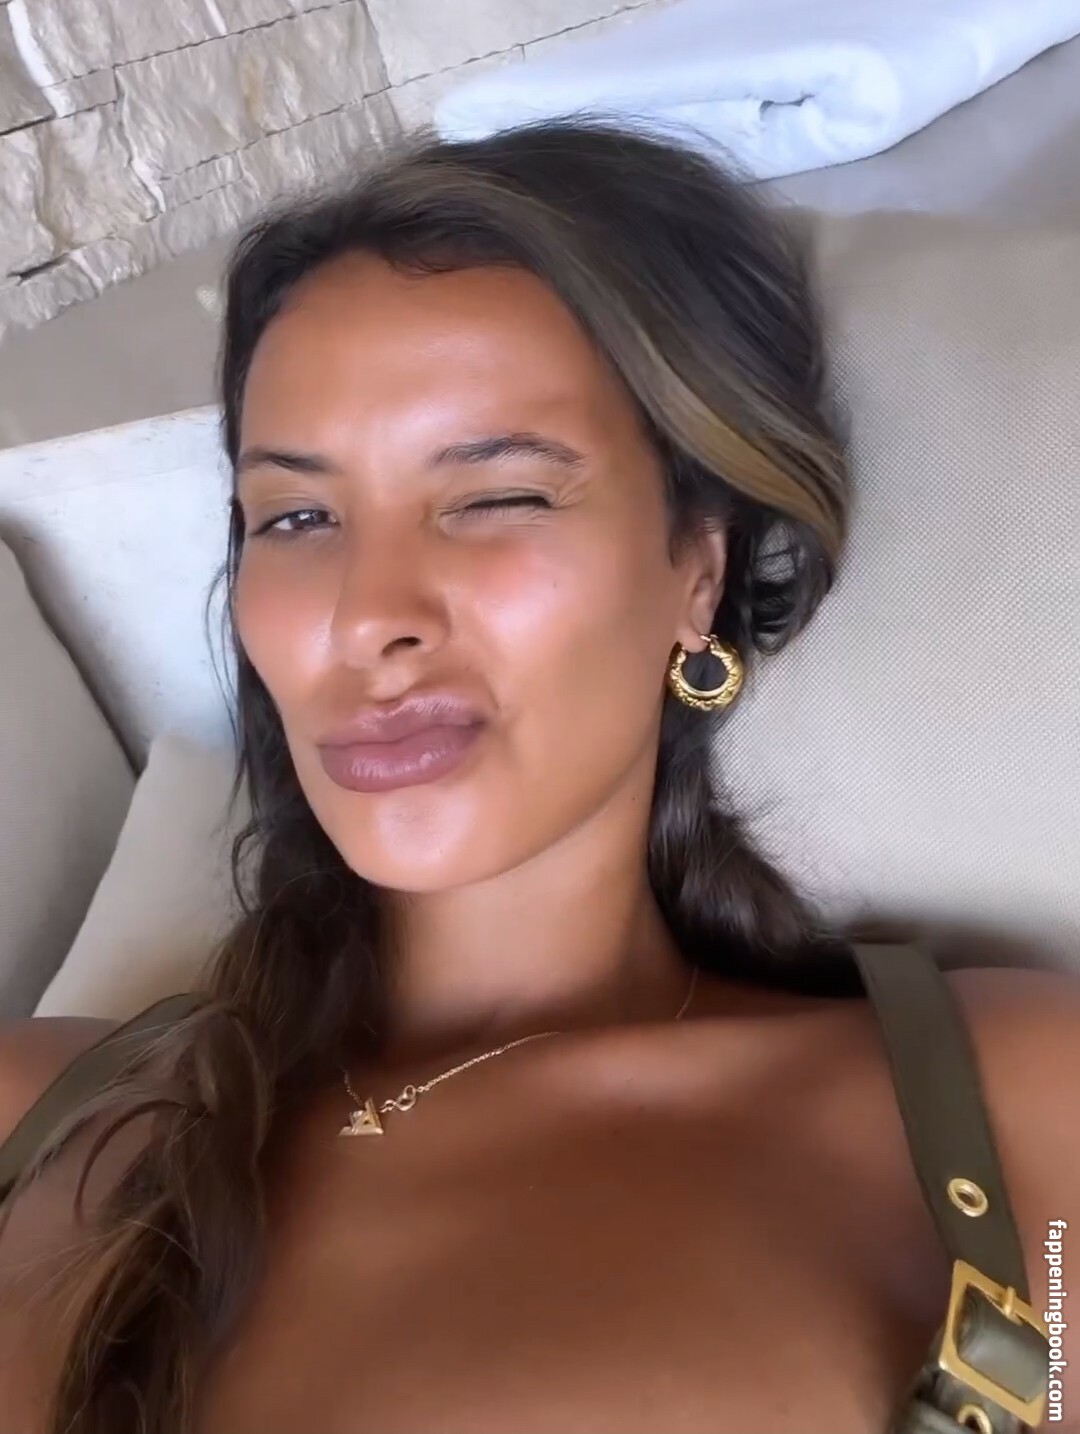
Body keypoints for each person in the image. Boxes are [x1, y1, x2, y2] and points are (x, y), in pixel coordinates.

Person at [0, 118, 1076, 1434]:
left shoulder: (1011, 1104)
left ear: (699, 569)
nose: (366, 616)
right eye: (298, 516)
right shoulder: (38, 1114)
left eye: (496, 497)